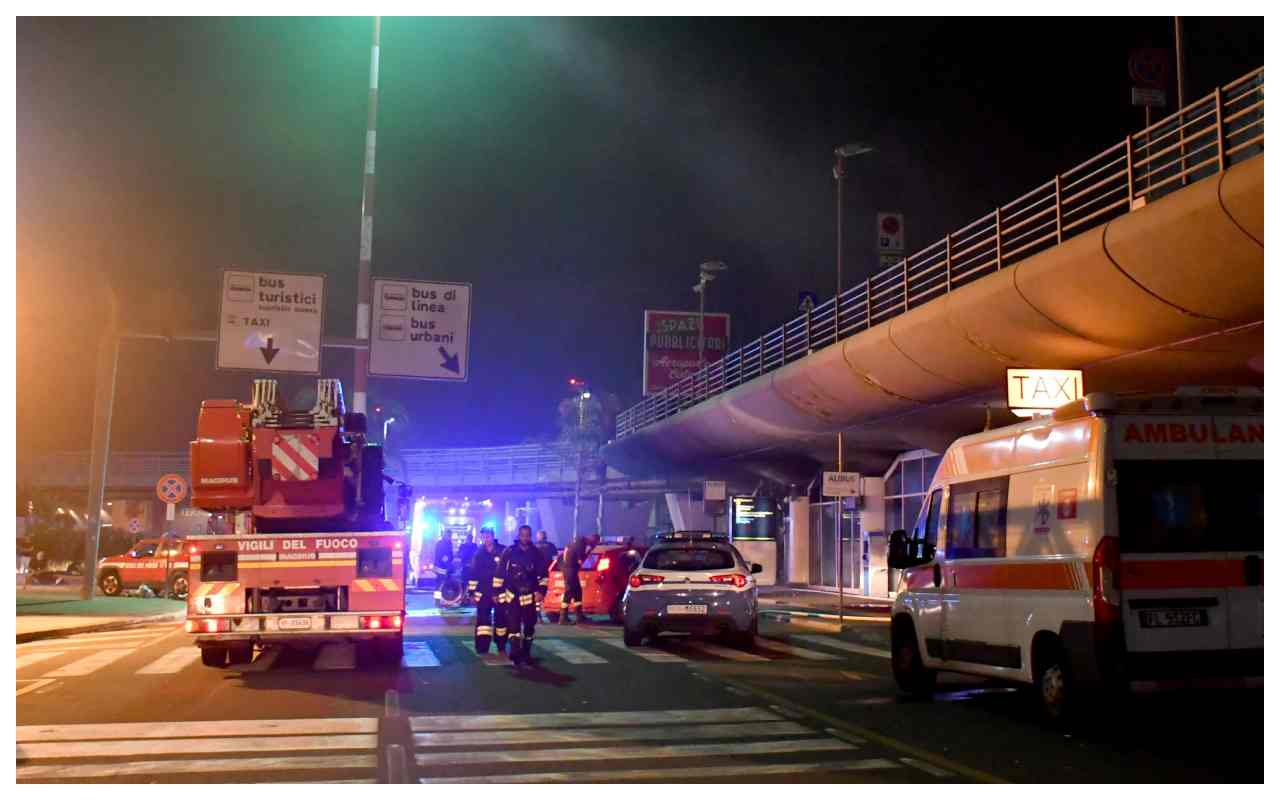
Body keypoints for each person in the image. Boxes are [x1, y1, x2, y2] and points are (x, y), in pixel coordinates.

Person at [499, 525, 550, 667]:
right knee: (513, 626)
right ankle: (515, 653)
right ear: (518, 535)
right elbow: (500, 573)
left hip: (529, 596)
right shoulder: (509, 552)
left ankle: (526, 653)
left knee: (529, 626)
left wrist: (541, 591)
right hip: (512, 595)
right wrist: (498, 593)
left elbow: (543, 575)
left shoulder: (536, 553)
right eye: (523, 535)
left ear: (531, 536)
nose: (525, 538)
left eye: (528, 535)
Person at [468, 527, 508, 655]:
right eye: (484, 537)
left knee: (501, 620)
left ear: (493, 536)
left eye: (488, 536)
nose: (486, 539)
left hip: (500, 592)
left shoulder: (503, 551)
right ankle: (482, 647)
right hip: (483, 592)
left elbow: (508, 572)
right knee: (483, 622)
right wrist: (471, 592)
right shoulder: (478, 553)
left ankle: (501, 644)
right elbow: (473, 573)